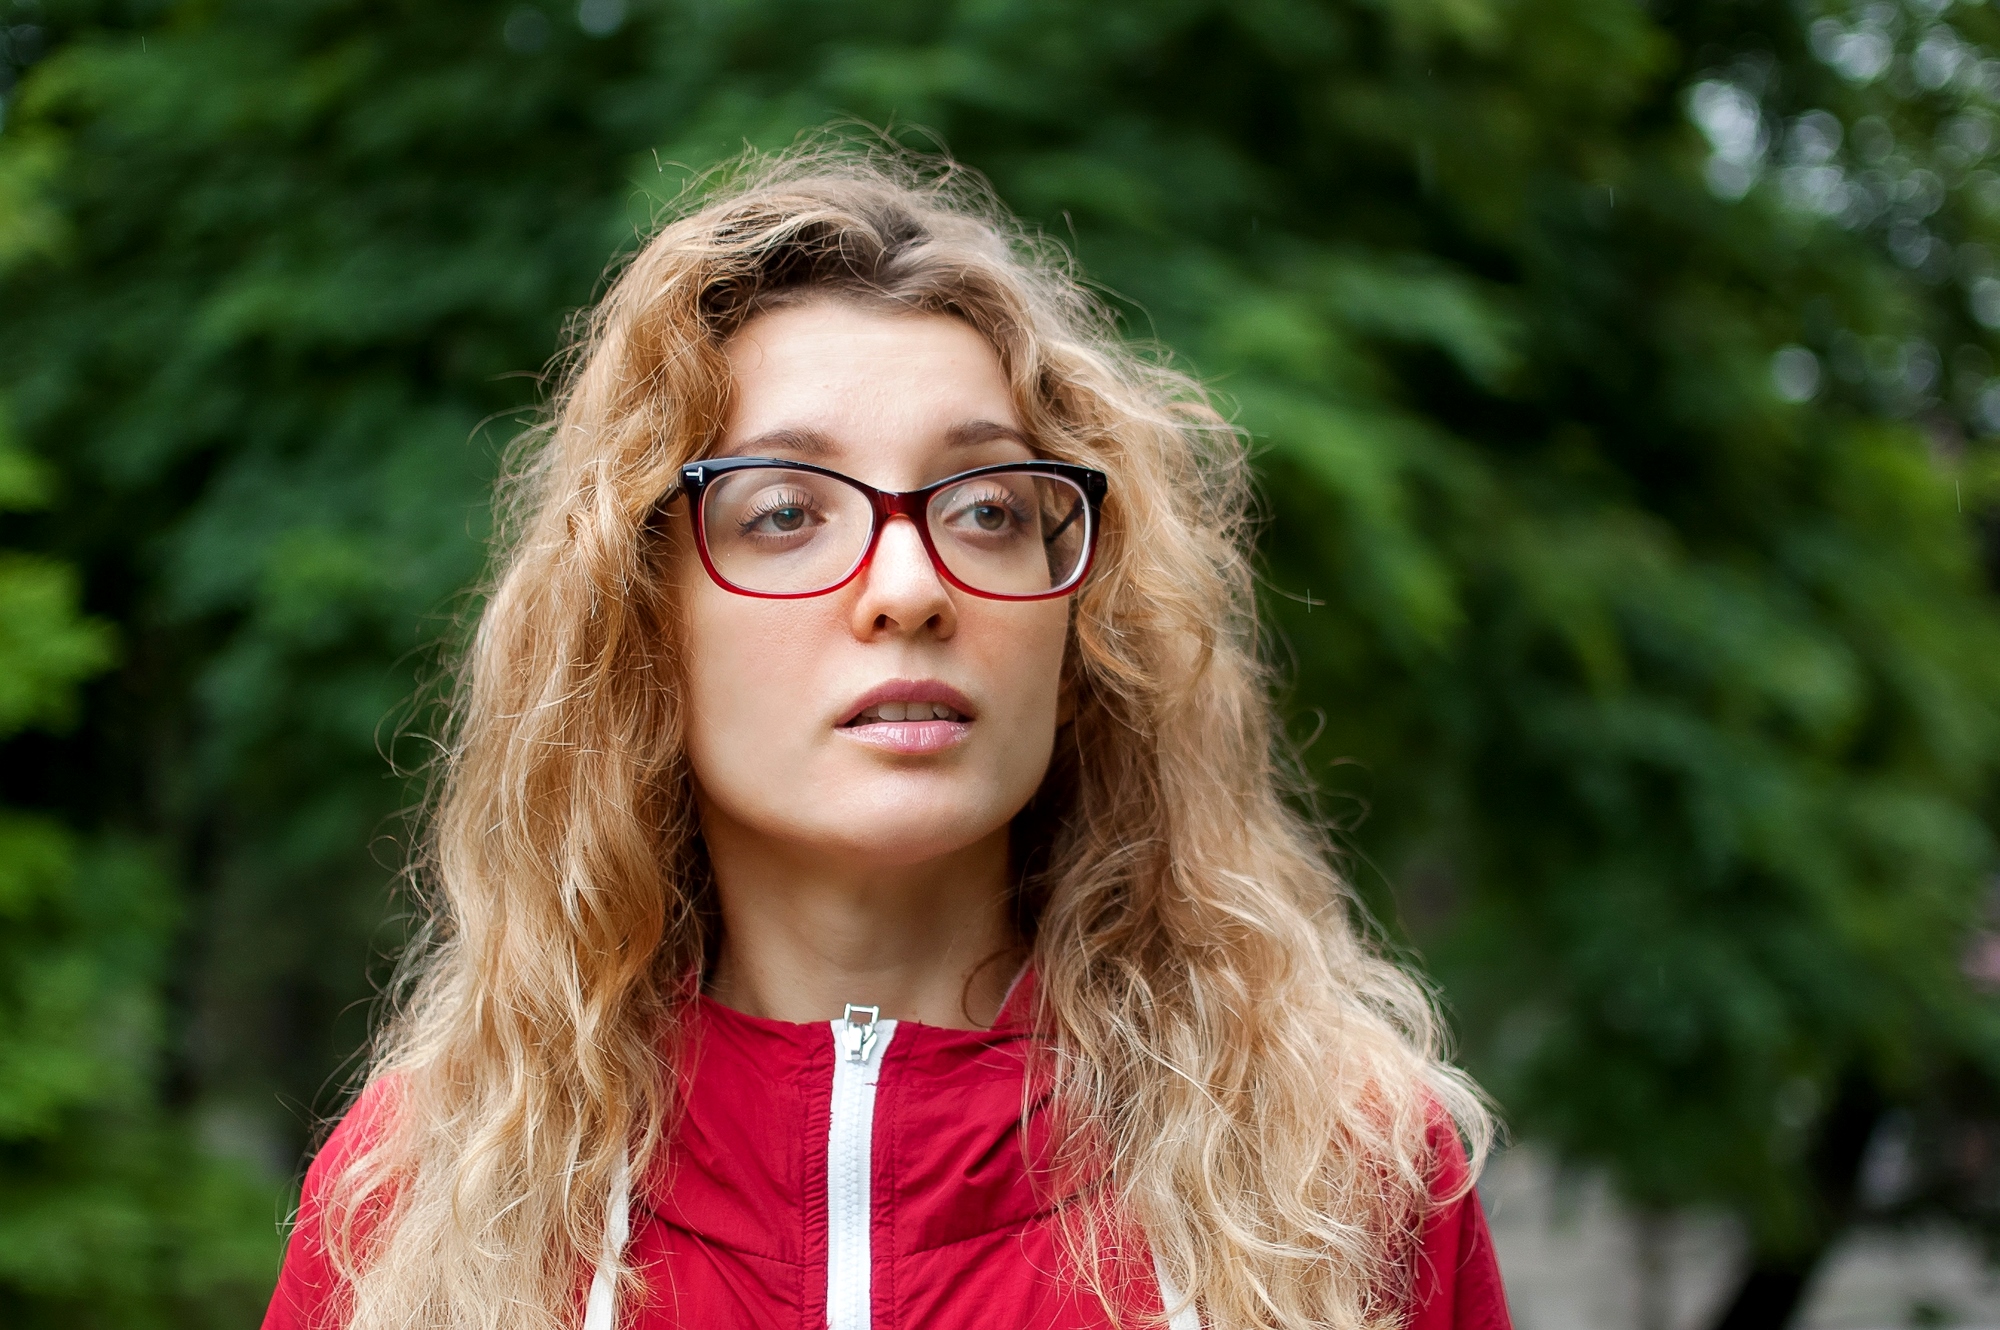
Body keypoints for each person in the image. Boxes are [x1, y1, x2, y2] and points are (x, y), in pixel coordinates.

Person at [261, 147, 1510, 1330]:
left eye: (985, 508)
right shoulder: (417, 1207)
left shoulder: (1343, 1179)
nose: (910, 584)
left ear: (1081, 639)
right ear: (638, 633)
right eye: (785, 510)